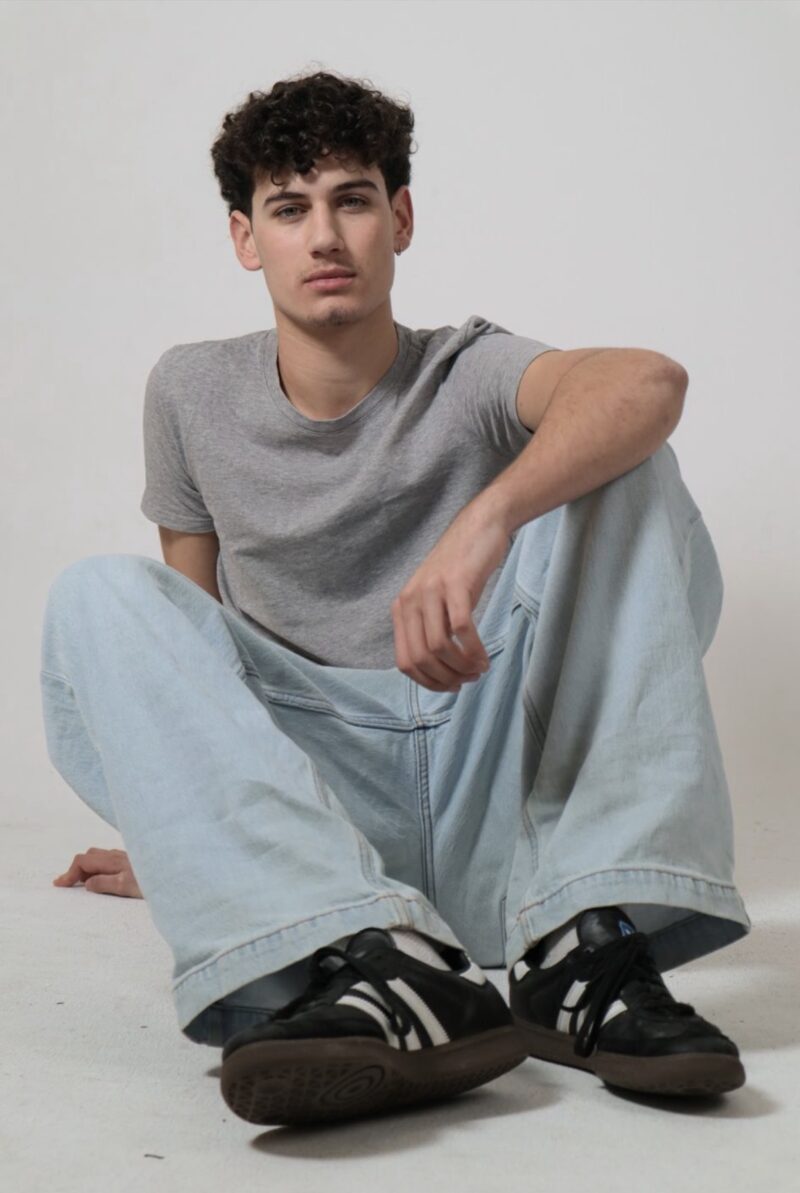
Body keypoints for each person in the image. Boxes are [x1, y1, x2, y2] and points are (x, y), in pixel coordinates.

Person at [40, 68, 751, 1127]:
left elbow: (647, 381)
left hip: (500, 799)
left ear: (400, 219)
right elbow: (185, 640)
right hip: (324, 824)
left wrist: (485, 521)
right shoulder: (190, 391)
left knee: (625, 463)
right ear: (245, 238)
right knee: (98, 594)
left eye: (353, 200)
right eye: (289, 208)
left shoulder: (466, 371)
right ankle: (368, 958)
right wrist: (183, 835)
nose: (324, 235)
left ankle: (583, 945)